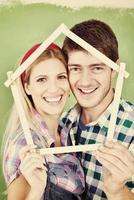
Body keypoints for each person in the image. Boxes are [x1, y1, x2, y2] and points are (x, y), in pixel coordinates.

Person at [61, 19, 134, 200]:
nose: (85, 81)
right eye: (76, 68)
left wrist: (117, 192)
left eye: (97, 68)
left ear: (115, 69)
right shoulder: (61, 124)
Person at [2, 43, 85, 200]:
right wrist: (36, 190)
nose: (53, 89)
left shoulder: (67, 131)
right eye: (41, 80)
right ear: (27, 87)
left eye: (61, 77)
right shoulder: (25, 143)